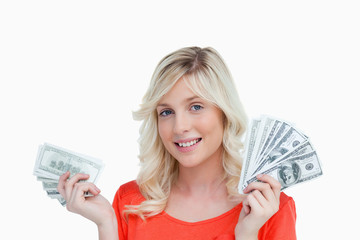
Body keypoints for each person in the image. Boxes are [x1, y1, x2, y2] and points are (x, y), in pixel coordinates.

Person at [57, 46, 297, 240]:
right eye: (166, 112)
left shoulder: (268, 208)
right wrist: (106, 223)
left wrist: (247, 235)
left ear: (224, 113)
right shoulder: (131, 202)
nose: (179, 126)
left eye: (196, 107)